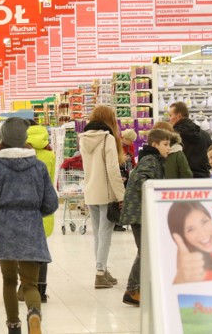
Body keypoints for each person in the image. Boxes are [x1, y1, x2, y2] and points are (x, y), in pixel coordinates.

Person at [0, 117, 59, 334]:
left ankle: (13, 326)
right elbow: (51, 203)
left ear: (2, 138)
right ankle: (34, 313)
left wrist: (2, 211)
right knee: (30, 284)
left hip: (4, 228)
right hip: (31, 227)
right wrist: (33, 212)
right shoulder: (39, 167)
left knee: (8, 281)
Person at [119, 129, 171, 307]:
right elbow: (141, 180)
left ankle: (139, 289)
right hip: (139, 213)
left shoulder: (152, 159)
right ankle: (132, 290)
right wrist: (155, 191)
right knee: (145, 252)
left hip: (140, 212)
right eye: (165, 144)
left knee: (146, 251)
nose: (168, 148)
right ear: (154, 144)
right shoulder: (151, 159)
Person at [79, 105, 126, 289]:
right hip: (106, 192)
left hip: (90, 190)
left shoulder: (83, 139)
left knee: (98, 233)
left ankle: (103, 269)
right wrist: (121, 195)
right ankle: (100, 272)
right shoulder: (108, 138)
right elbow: (113, 170)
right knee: (105, 233)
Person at [25, 119, 56, 303]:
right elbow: (51, 182)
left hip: (23, 208)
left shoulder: (20, 154)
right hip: (43, 207)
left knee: (24, 250)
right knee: (41, 250)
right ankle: (41, 290)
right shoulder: (49, 156)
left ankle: (27, 287)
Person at [168, 202, 212, 284]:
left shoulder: (209, 256)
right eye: (191, 230)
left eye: (205, 222)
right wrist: (180, 279)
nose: (202, 233)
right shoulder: (189, 269)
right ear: (181, 236)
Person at [169, 102, 212, 178]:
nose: (169, 119)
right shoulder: (205, 135)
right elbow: (210, 159)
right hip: (204, 179)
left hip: (183, 181)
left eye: (170, 115)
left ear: (179, 116)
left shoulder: (173, 135)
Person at [115, 128, 137, 232]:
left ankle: (123, 220)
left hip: (127, 172)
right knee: (119, 197)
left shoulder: (130, 145)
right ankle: (116, 222)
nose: (131, 143)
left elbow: (132, 159)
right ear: (124, 138)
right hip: (118, 172)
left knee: (125, 197)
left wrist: (135, 167)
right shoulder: (116, 145)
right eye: (130, 140)